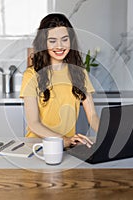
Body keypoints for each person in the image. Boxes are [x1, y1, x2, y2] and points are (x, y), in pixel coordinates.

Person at [20, 13, 99, 148]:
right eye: (52, 41)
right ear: (43, 43)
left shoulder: (80, 73)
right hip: (37, 147)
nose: (60, 46)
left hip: (68, 147)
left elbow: (92, 116)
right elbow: (34, 123)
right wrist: (63, 139)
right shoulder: (31, 75)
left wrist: (111, 135)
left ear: (71, 41)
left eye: (64, 39)